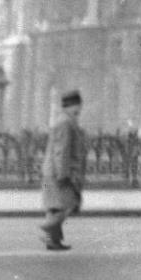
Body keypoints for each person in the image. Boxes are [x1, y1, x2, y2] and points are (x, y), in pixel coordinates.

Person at [40, 90, 87, 251]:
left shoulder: (64, 121)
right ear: (73, 106)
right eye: (78, 105)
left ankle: (53, 241)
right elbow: (62, 151)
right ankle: (47, 227)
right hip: (59, 172)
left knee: (55, 207)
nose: (79, 109)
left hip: (52, 171)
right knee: (68, 204)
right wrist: (63, 174)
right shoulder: (65, 123)